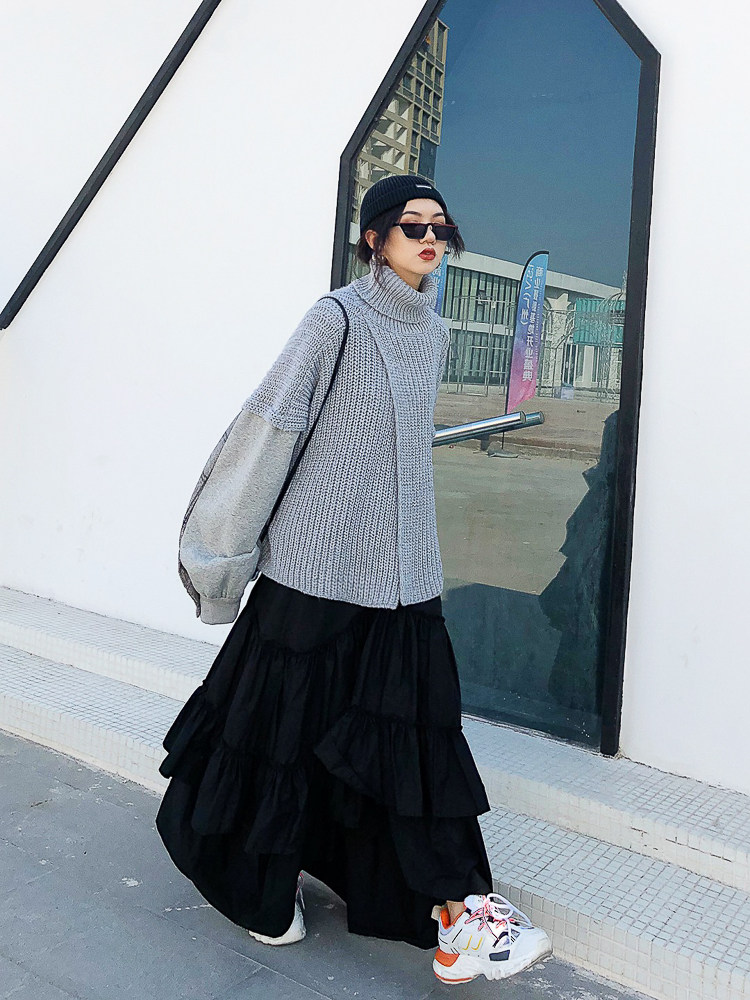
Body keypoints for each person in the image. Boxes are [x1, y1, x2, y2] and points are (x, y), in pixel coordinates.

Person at [155, 174, 553, 985]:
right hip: (315, 568)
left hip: (404, 574)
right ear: (375, 238)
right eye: (412, 226)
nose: (430, 238)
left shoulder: (435, 334)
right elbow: (270, 431)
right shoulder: (333, 319)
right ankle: (253, 885)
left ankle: (458, 915)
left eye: (440, 226)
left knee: (415, 739)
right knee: (277, 736)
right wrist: (221, 561)